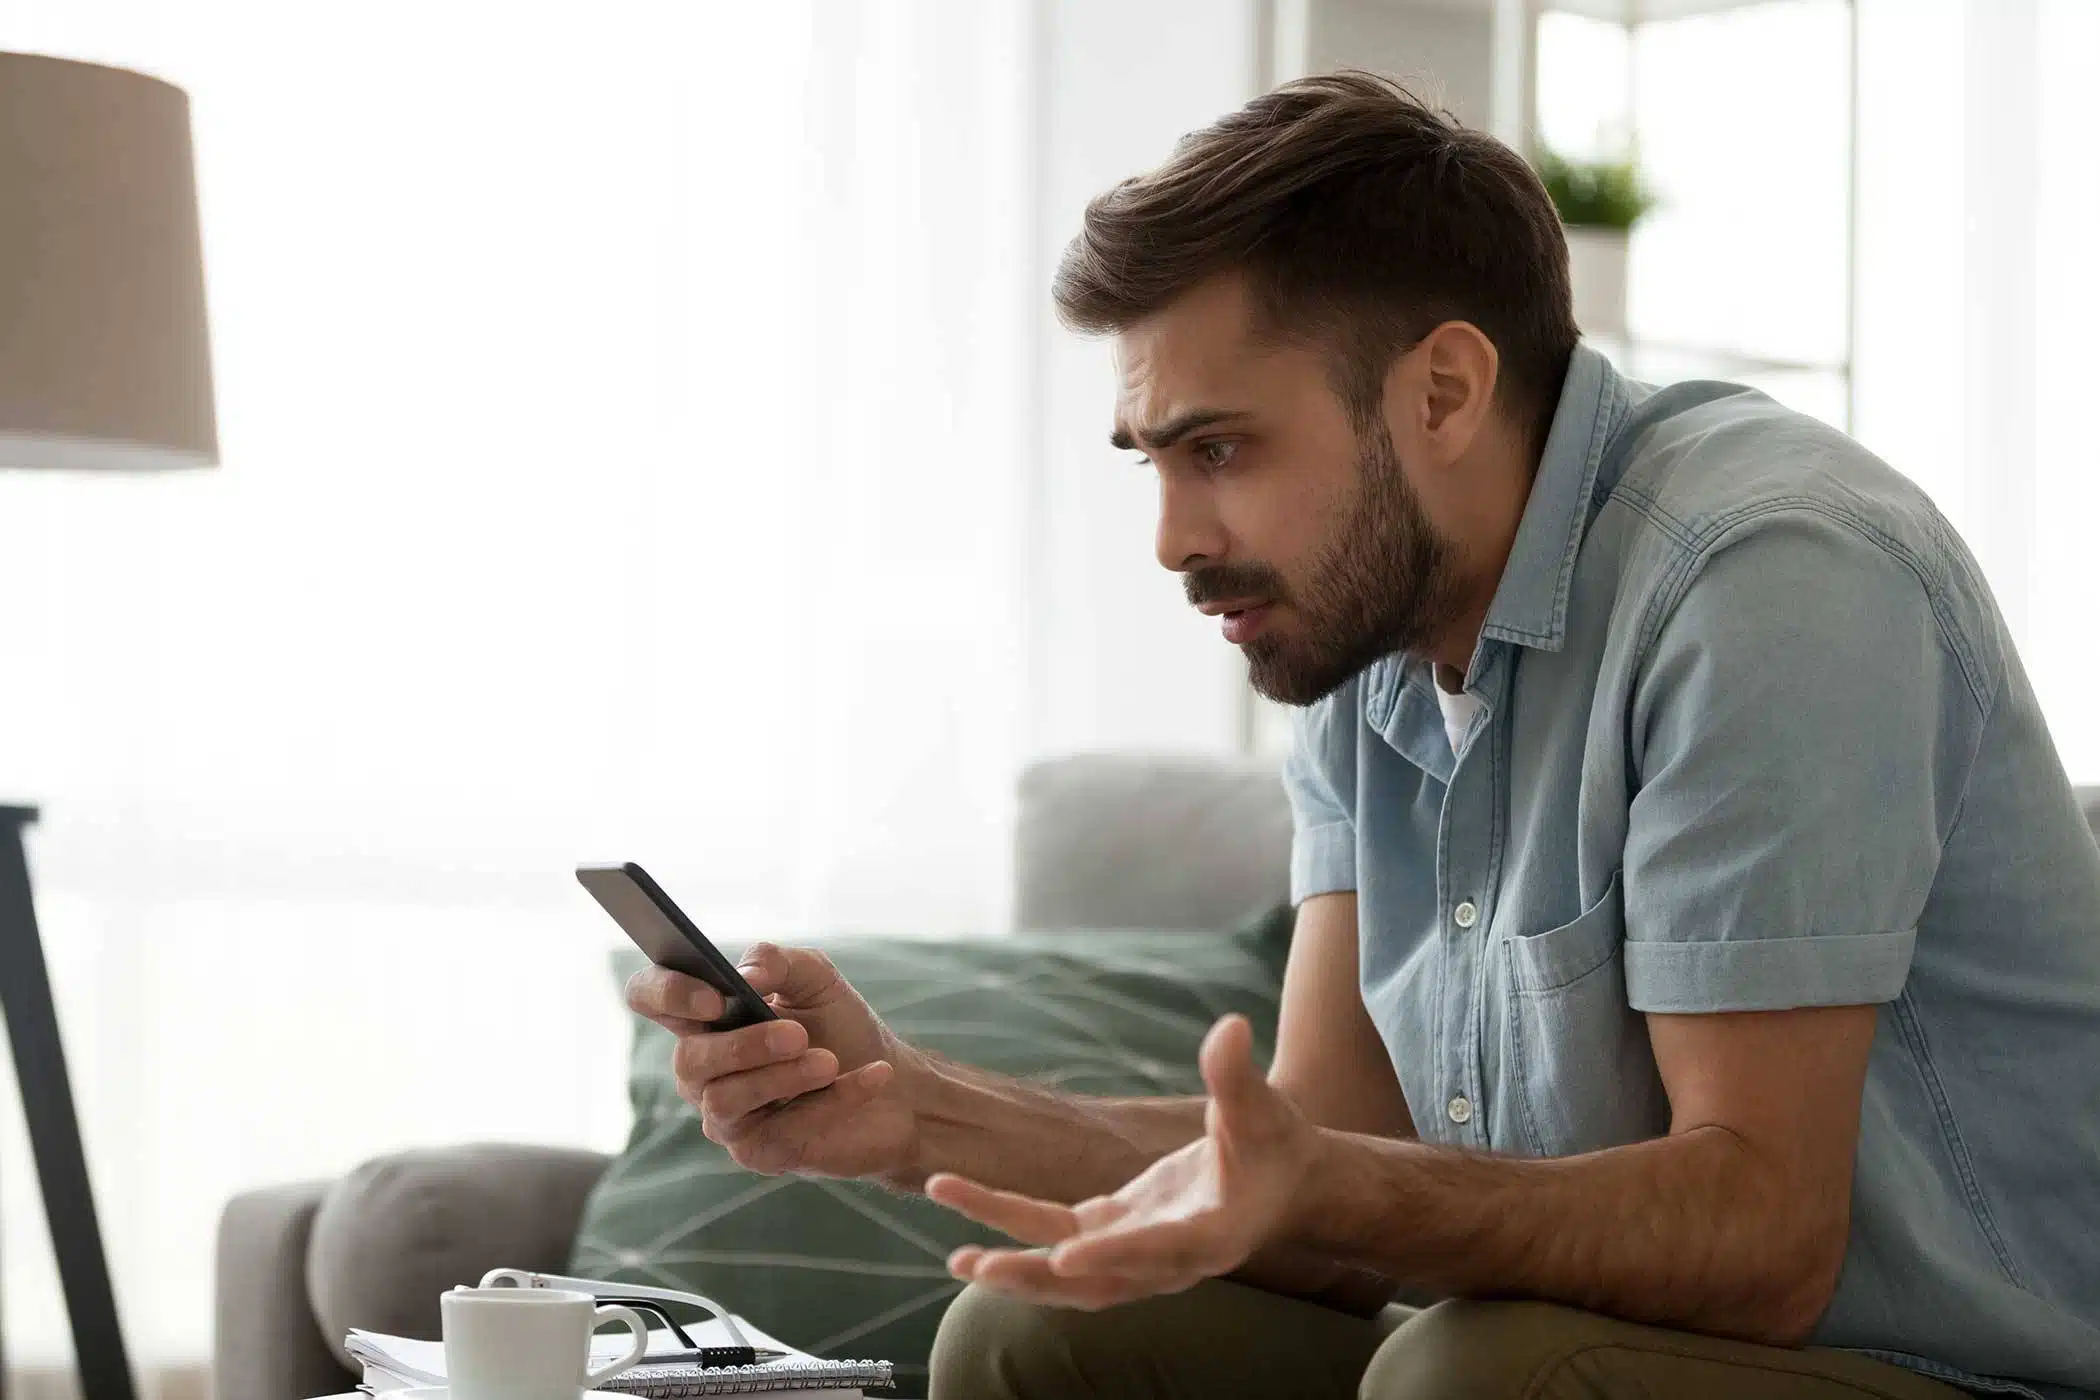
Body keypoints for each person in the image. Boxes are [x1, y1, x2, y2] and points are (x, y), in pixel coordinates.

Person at [625, 72, 2100, 1400]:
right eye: (1153, 459)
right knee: (1041, 1337)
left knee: (1470, 1376)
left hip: (1940, 1365)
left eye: (1220, 449)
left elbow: (1765, 1239)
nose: (1173, 540)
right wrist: (904, 1107)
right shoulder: (1366, 638)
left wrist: (1328, 1190)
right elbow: (1314, 1160)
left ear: (1444, 392)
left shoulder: (1769, 580)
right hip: (1590, 1341)